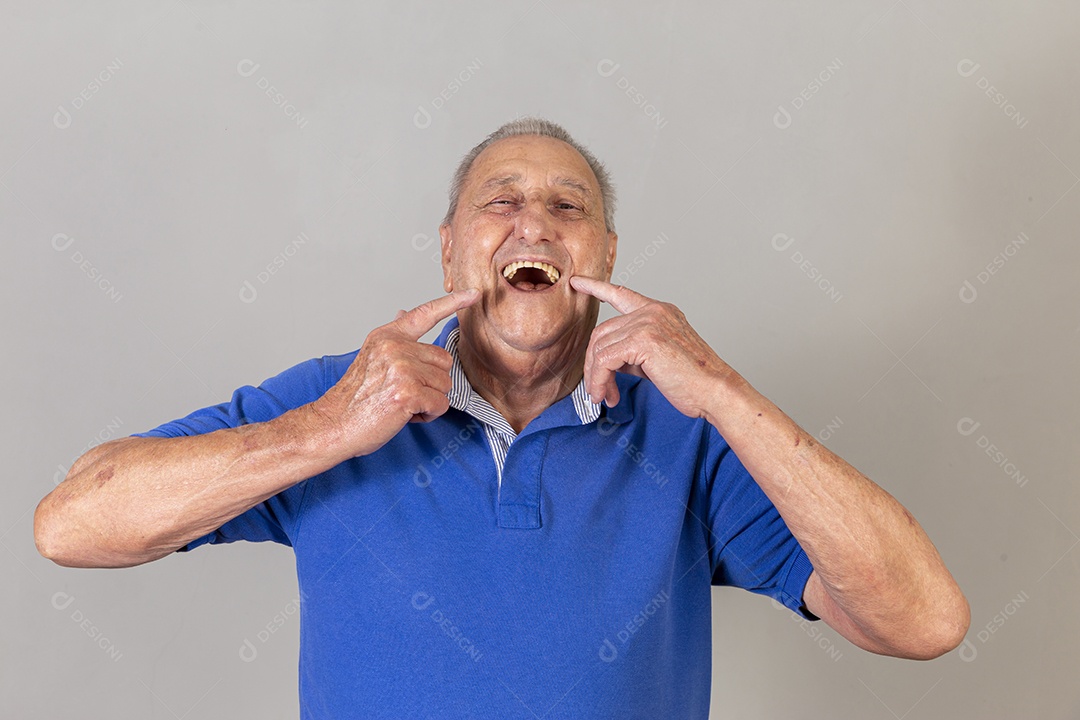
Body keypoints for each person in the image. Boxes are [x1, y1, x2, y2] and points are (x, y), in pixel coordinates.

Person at [35, 118, 969, 718]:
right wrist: (328, 430)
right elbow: (73, 525)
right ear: (451, 255)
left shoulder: (686, 433)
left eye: (569, 208)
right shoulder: (348, 394)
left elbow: (923, 620)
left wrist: (722, 388)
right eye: (501, 203)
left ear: (604, 254)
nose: (536, 224)